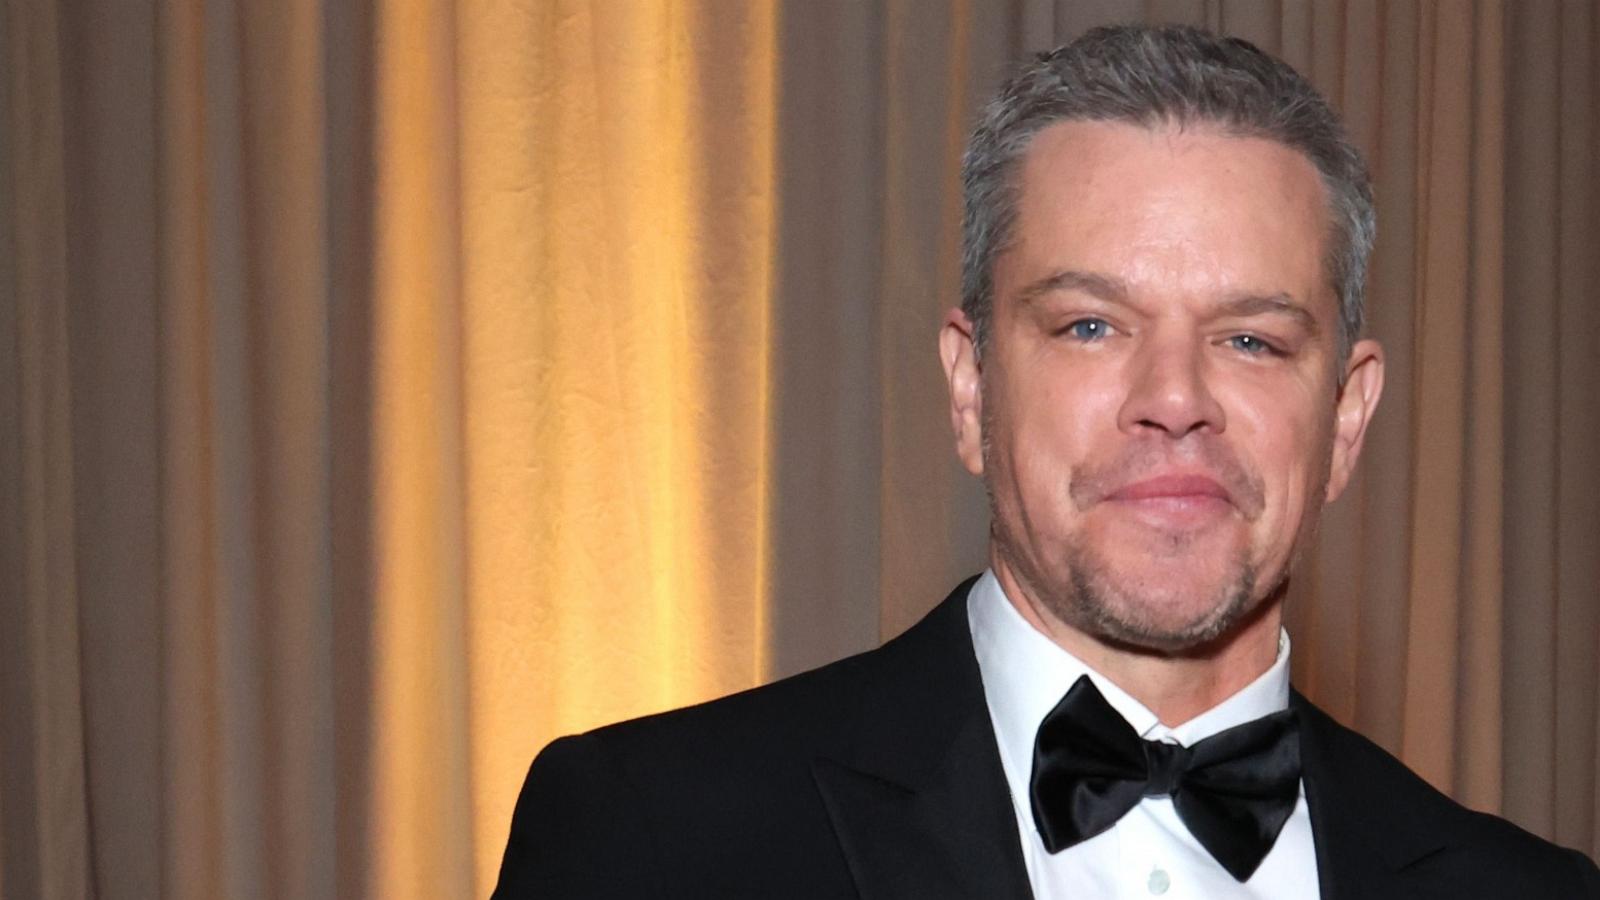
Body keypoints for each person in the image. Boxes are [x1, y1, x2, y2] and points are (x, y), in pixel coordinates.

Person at [493, 24, 1600, 899]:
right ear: (971, 388)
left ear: (1346, 420)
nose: (1174, 401)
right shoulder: (658, 841)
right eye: (1088, 327)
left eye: (1250, 340)